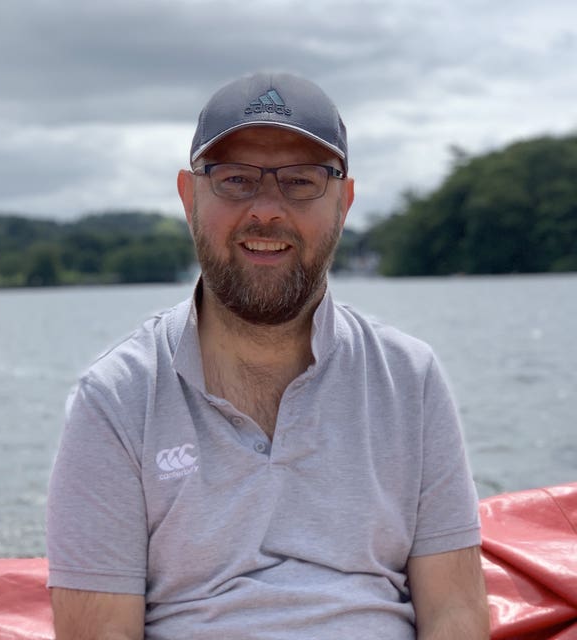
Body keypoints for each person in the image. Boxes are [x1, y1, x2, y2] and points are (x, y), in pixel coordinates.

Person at [46, 71, 489, 639]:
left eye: (302, 182)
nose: (267, 210)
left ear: (344, 202)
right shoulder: (116, 397)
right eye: (235, 180)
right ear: (188, 196)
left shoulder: (410, 378)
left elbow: (455, 612)